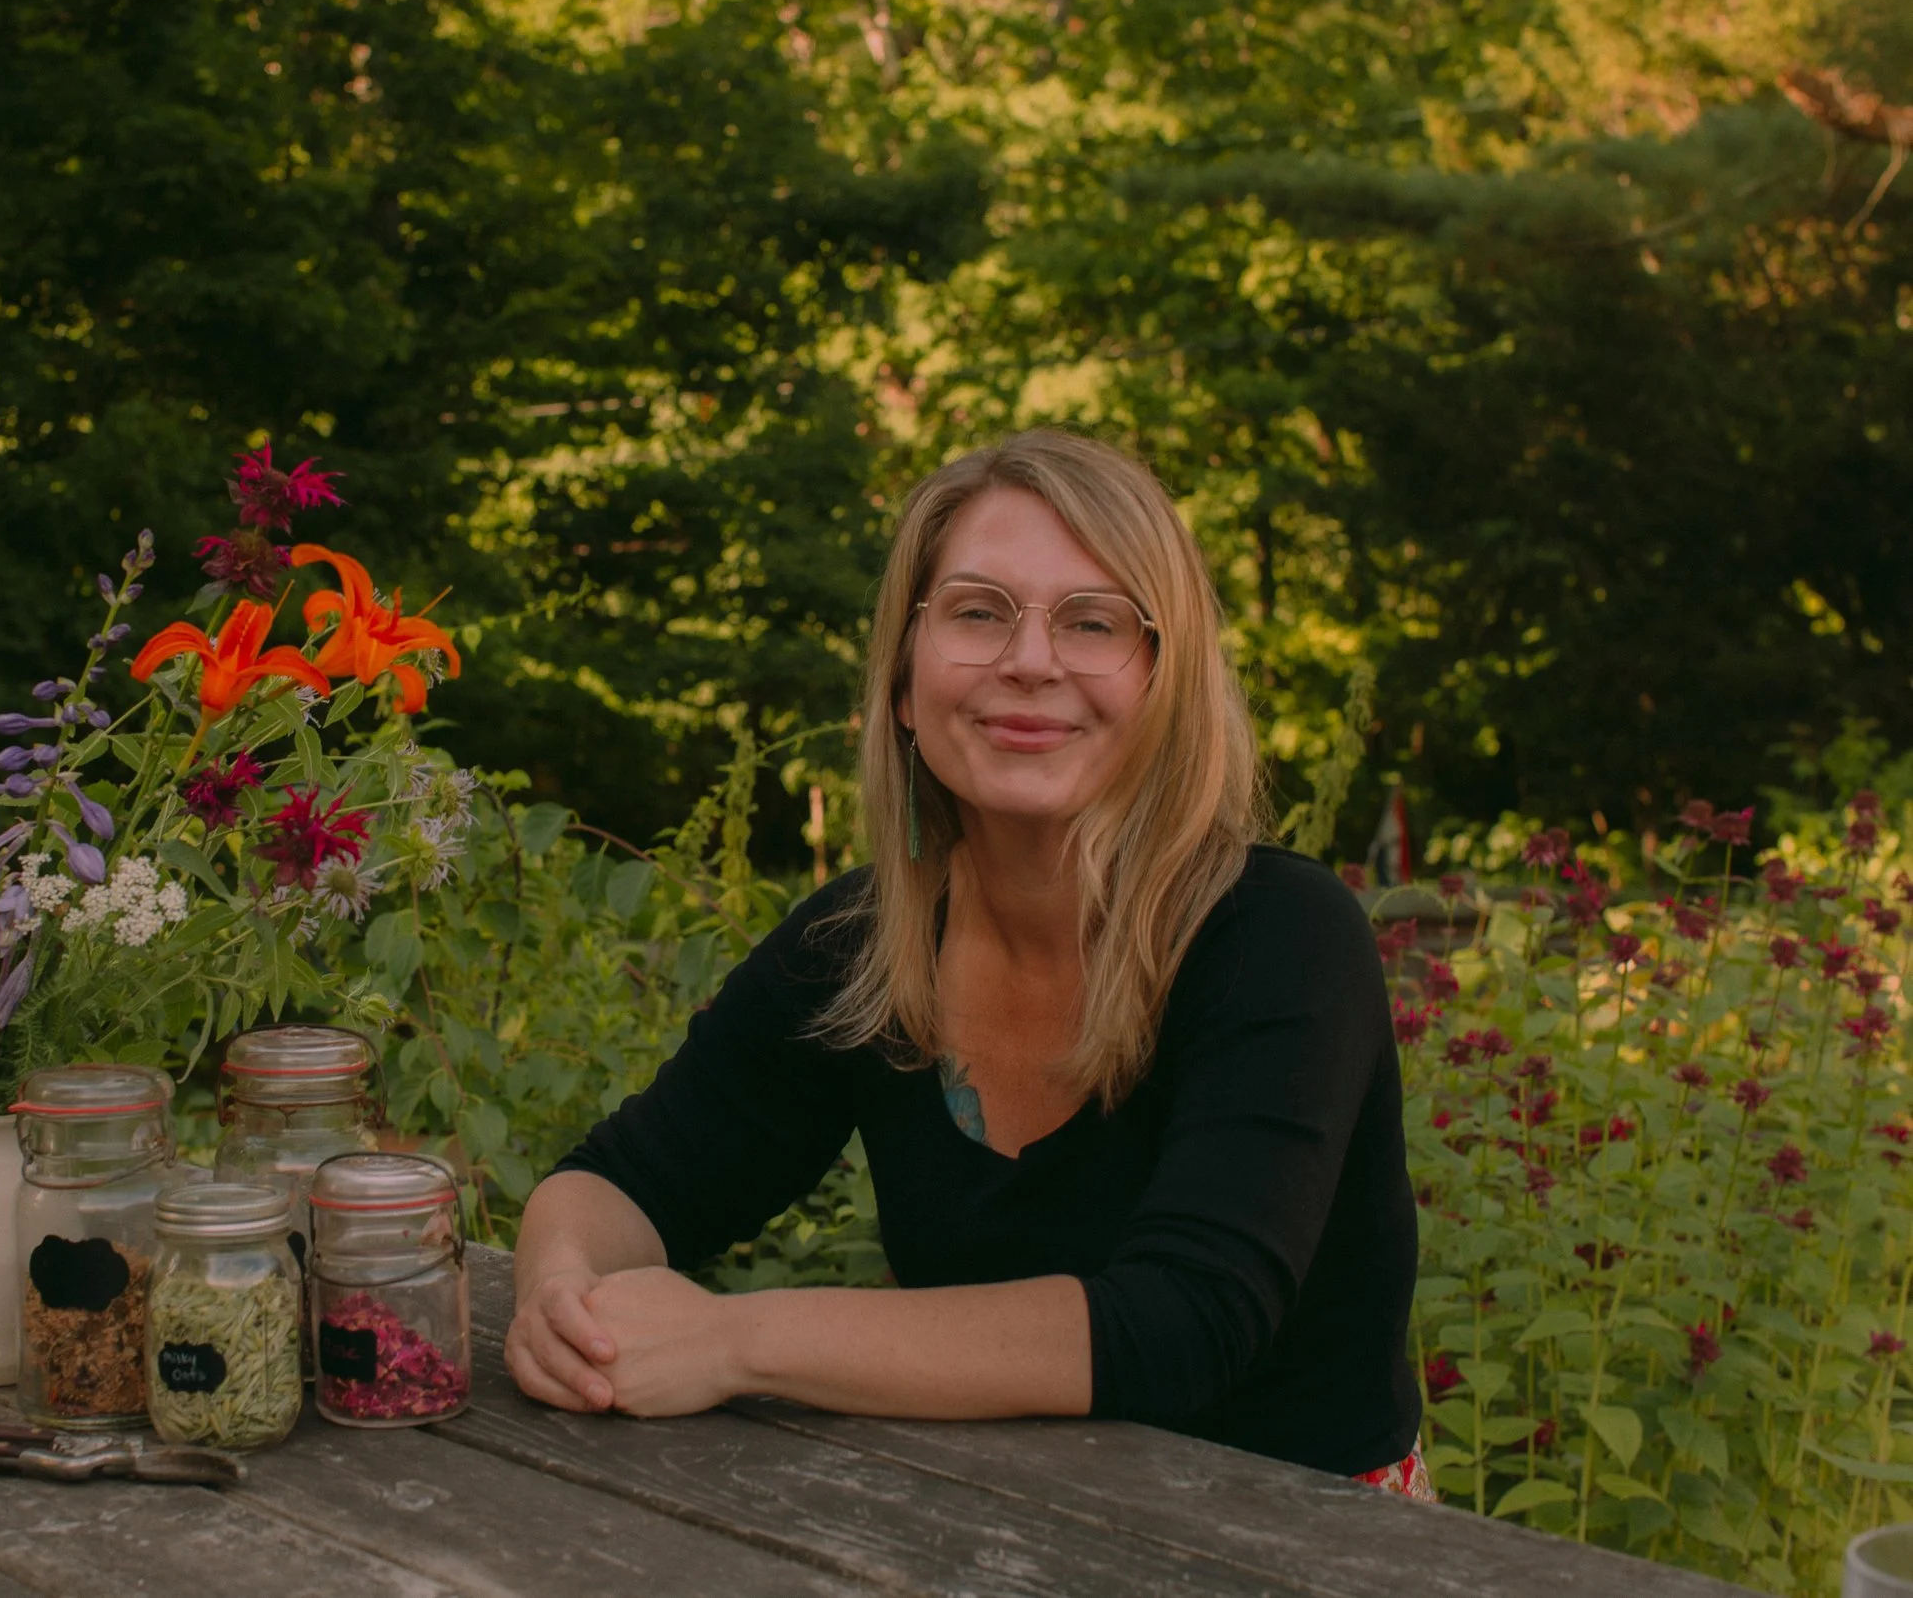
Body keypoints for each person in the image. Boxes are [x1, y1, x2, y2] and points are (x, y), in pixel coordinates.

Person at [506, 429, 1429, 1498]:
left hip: (1300, 1552)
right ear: (903, 679)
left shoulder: (1278, 934)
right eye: (979, 611)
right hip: (986, 1529)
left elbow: (1182, 1320)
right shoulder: (858, 946)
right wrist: (560, 1291)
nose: (1029, 660)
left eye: (1091, 621)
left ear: (1165, 683)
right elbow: (619, 1182)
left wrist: (730, 1338)